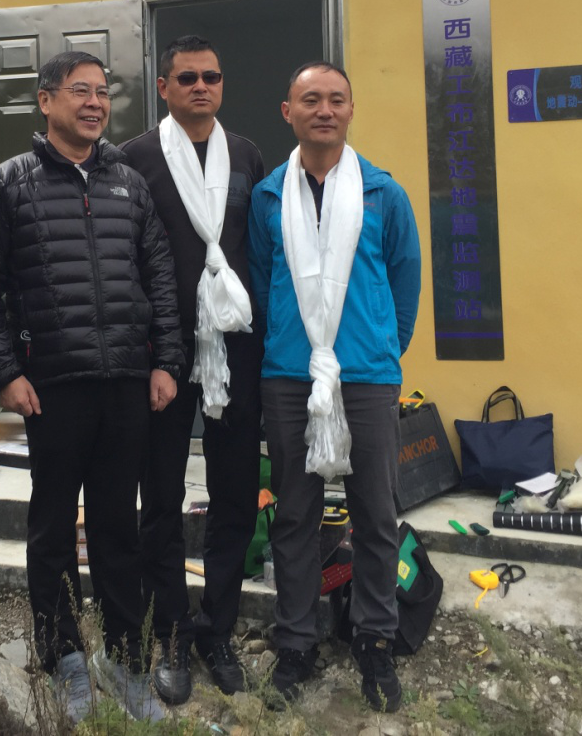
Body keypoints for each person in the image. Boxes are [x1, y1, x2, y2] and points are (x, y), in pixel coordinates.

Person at [0, 51, 185, 724]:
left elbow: (159, 277)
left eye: (102, 92)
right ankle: (63, 655)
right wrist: (4, 373)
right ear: (45, 100)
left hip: (125, 381)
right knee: (53, 527)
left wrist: (166, 361)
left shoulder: (128, 183)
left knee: (118, 526)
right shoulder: (6, 186)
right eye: (80, 91)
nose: (94, 103)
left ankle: (125, 658)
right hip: (52, 384)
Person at [247, 62, 421, 713]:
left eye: (336, 99)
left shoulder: (383, 193)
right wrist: (291, 343)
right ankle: (296, 640)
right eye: (311, 99)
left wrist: (377, 347)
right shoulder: (269, 197)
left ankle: (374, 638)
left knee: (375, 512)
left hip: (367, 377)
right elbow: (262, 281)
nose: (324, 109)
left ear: (351, 109)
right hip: (289, 376)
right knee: (295, 514)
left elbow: (404, 281)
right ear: (287, 111)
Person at [118, 35, 265, 703]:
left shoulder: (247, 155)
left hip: (234, 349)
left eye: (211, 76)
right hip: (164, 353)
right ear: (163, 87)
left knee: (235, 493)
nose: (200, 86)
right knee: (162, 495)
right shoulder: (135, 159)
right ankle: (173, 629)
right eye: (187, 78)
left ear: (222, 84)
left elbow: (257, 247)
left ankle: (217, 627)